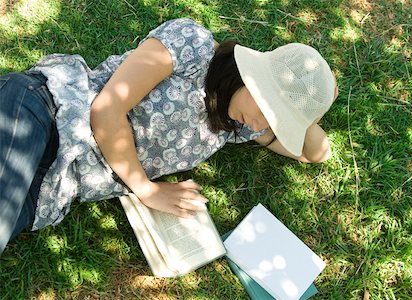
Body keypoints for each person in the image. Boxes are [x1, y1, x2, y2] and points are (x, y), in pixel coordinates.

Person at [0, 18, 338, 255]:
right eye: (268, 109)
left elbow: (315, 151)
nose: (263, 125)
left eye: (276, 122)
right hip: (46, 116)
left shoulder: (240, 123)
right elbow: (106, 109)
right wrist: (147, 190)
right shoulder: (191, 44)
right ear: (255, 77)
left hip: (54, 187)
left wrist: (308, 109)